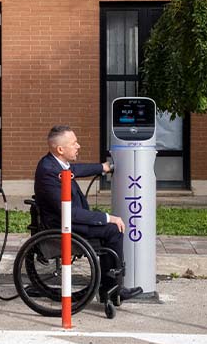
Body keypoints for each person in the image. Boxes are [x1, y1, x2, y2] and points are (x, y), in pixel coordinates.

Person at [33, 125, 143, 302]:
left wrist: (103, 167)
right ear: (60, 149)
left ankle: (110, 288)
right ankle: (112, 290)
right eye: (74, 143)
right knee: (112, 230)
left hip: (69, 219)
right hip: (64, 225)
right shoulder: (49, 171)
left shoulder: (56, 164)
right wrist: (108, 218)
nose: (79, 146)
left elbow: (77, 170)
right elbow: (69, 213)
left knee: (109, 227)